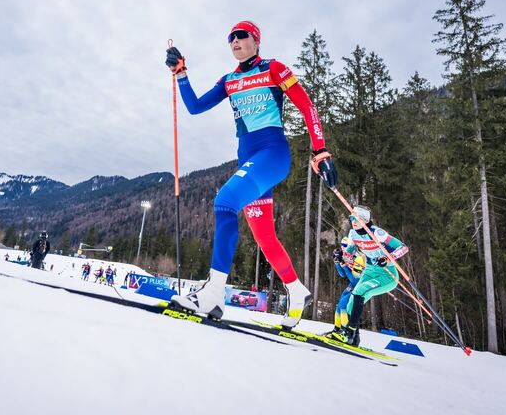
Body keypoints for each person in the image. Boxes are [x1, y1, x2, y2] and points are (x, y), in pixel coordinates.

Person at [165, 21, 338, 325]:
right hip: (249, 160)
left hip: (272, 155)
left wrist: (320, 149)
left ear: (256, 41)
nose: (234, 41)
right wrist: (181, 73)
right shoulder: (229, 80)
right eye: (230, 38)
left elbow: (306, 105)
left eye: (241, 36)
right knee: (265, 238)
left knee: (225, 202)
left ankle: (212, 293)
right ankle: (297, 292)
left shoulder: (273, 69)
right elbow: (194, 106)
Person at [328, 205, 408, 347]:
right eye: (352, 218)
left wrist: (388, 259)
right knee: (351, 303)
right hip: (369, 271)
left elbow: (403, 247)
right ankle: (354, 338)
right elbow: (349, 254)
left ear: (366, 220)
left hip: (386, 275)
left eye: (358, 219)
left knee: (359, 291)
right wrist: (343, 256)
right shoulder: (353, 234)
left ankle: (348, 333)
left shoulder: (377, 233)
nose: (354, 222)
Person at [331, 237, 366, 337]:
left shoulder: (358, 257)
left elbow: (354, 279)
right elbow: (342, 274)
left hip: (358, 284)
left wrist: (344, 265)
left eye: (345, 246)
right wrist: (337, 263)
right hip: (353, 284)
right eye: (342, 245)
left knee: (343, 305)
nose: (343, 248)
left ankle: (345, 331)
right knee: (339, 305)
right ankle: (337, 329)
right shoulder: (346, 255)